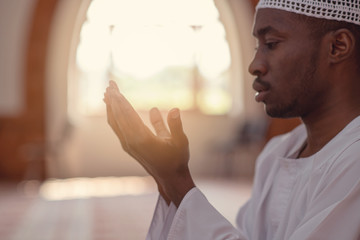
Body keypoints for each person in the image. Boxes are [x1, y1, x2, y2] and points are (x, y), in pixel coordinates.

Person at [103, 0, 360, 239]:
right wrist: (166, 179)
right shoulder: (277, 153)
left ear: (337, 46)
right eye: (257, 47)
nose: (255, 65)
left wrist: (176, 181)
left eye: (271, 43)